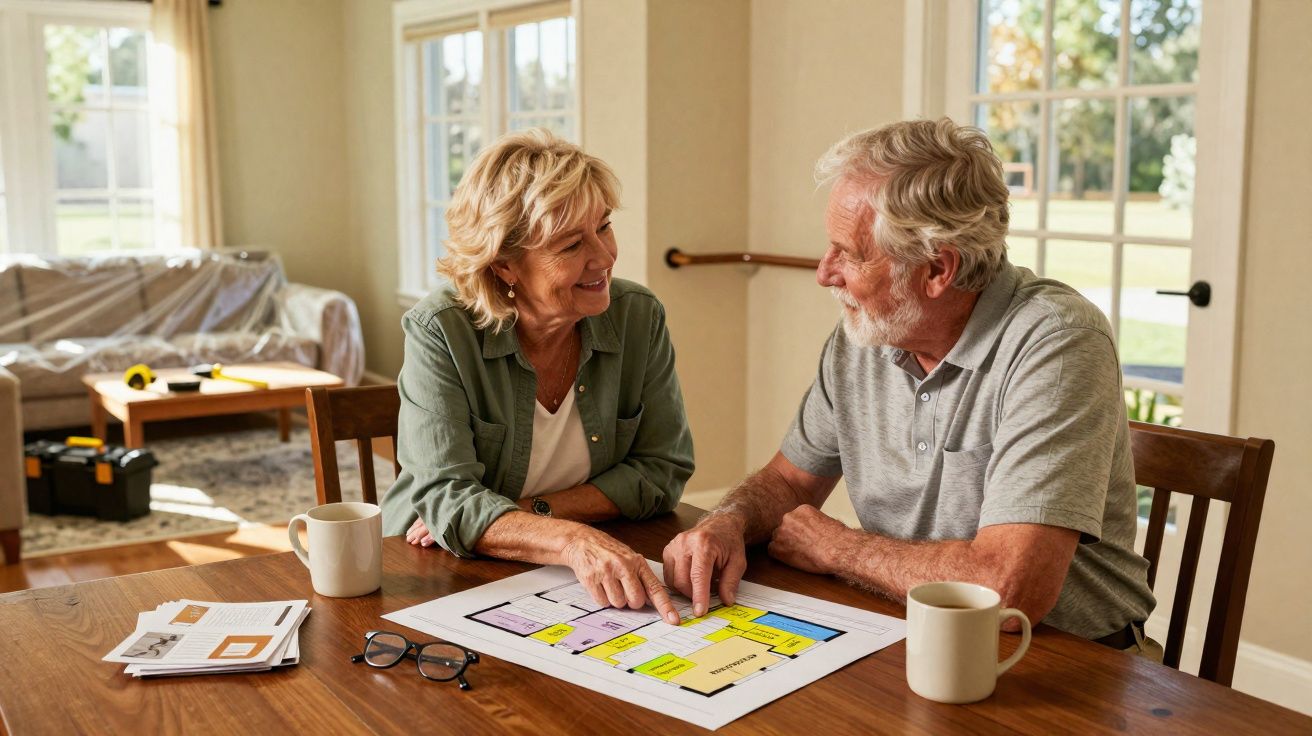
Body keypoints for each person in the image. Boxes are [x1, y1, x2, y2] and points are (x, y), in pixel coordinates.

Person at [663, 118, 1158, 654]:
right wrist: (727, 521)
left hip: (1063, 661)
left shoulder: (1057, 342)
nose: (825, 273)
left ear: (937, 269)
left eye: (848, 254)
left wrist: (839, 548)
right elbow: (789, 484)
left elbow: (1006, 590)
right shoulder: (866, 333)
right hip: (901, 628)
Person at [382, 129, 694, 625]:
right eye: (571, 244)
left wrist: (531, 513)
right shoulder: (441, 329)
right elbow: (445, 500)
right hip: (432, 572)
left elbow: (662, 470)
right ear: (505, 264)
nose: (605, 257)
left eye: (605, 227)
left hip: (562, 579)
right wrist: (572, 539)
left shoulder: (638, 316)